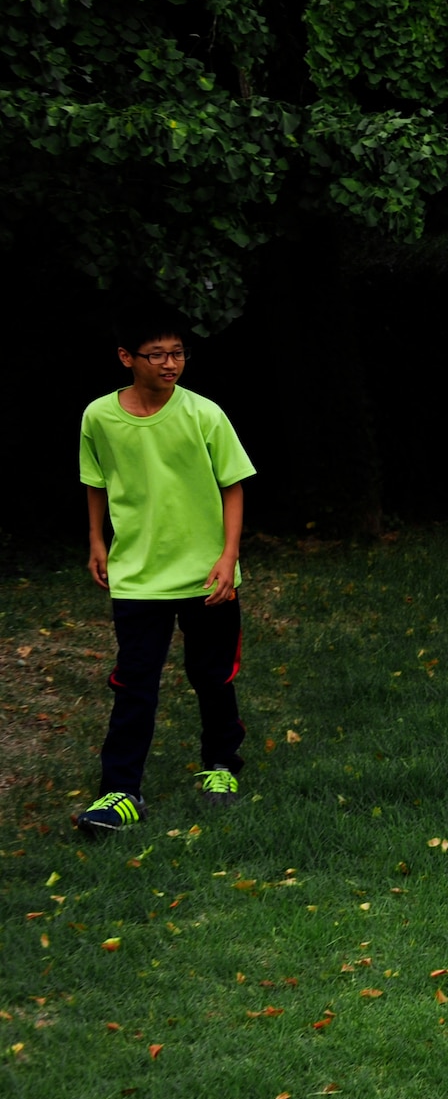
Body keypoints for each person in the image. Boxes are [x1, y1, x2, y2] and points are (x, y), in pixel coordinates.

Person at [74, 312, 257, 836]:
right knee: (134, 683)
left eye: (178, 353)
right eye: (157, 354)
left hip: (207, 576)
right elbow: (96, 480)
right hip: (138, 577)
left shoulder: (204, 414)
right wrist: (96, 539)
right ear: (127, 358)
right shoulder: (99, 417)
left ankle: (220, 765)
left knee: (212, 675)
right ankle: (120, 792)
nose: (170, 363)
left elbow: (234, 486)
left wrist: (227, 557)